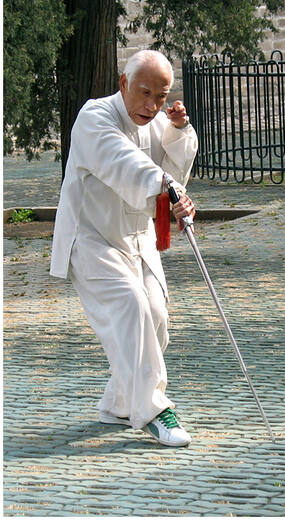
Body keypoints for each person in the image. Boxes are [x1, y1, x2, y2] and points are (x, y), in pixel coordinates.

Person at [50, 50, 198, 445]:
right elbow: (124, 163)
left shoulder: (156, 123)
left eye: (161, 97)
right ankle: (154, 410)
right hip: (92, 239)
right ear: (123, 84)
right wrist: (167, 187)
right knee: (132, 308)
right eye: (144, 93)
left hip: (138, 239)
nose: (151, 106)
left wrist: (179, 132)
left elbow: (173, 174)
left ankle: (119, 403)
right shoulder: (94, 117)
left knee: (157, 318)